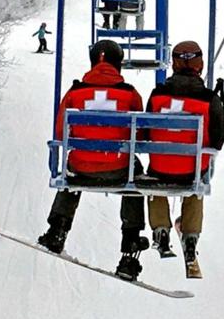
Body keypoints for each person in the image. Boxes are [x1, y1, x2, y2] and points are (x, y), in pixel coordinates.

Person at [39, 40, 150, 281]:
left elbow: (60, 132)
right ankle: (130, 252)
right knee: (135, 178)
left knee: (70, 171)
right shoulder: (129, 94)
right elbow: (140, 136)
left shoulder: (75, 93)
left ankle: (57, 230)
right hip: (118, 168)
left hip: (82, 167)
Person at [144, 40, 224, 279]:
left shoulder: (158, 96)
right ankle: (190, 237)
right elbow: (219, 139)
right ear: (200, 65)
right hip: (192, 170)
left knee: (153, 180)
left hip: (160, 168)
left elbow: (146, 131)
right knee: (198, 180)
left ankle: (161, 230)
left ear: (174, 64)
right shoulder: (209, 100)